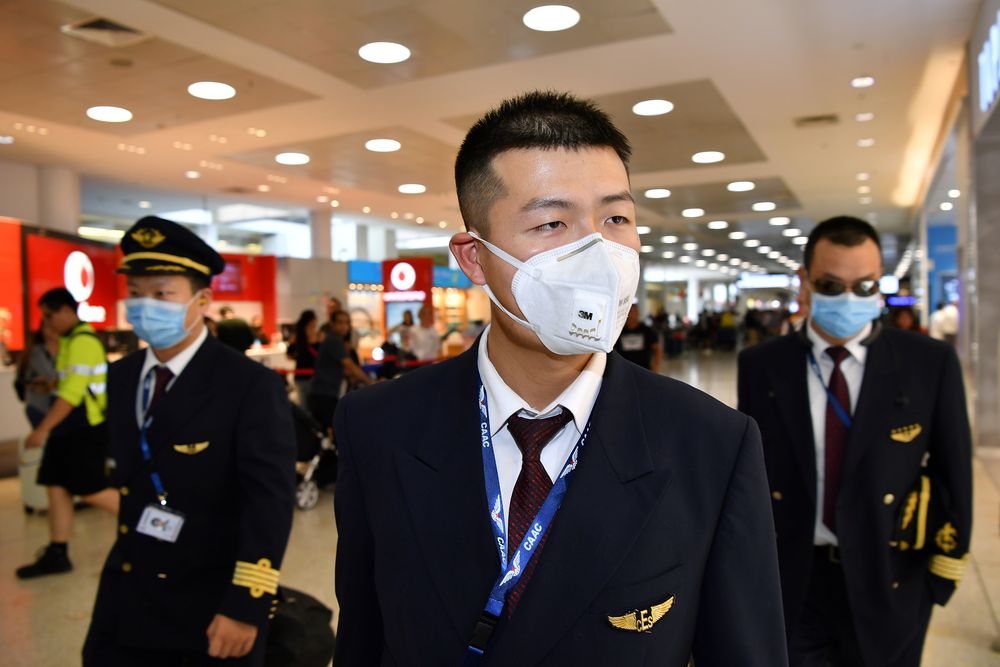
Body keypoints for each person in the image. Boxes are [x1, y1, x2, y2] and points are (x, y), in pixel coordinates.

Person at [333, 91, 786, 666]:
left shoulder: (711, 443)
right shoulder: (379, 426)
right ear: (475, 258)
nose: (597, 252)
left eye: (616, 218)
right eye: (551, 222)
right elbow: (364, 639)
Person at [737, 216, 972, 667]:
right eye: (831, 284)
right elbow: (751, 474)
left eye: (864, 286)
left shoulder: (928, 363)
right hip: (793, 578)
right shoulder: (762, 364)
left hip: (891, 576)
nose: (848, 298)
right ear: (804, 282)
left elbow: (954, 470)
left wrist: (941, 573)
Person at [83, 216, 296, 666]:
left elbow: (269, 502)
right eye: (136, 293)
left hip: (210, 604)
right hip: (126, 592)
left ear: (202, 300)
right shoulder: (121, 376)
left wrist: (246, 604)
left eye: (162, 294)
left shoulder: (248, 385)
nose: (145, 306)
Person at [16, 289, 119, 579]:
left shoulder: (83, 342)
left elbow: (72, 395)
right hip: (68, 429)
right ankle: (57, 552)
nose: (46, 322)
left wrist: (42, 430)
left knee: (92, 489)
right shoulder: (70, 342)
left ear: (65, 311)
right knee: (56, 485)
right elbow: (67, 386)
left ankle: (151, 528)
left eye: (49, 315)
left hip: (83, 428)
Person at [308, 310, 372, 431]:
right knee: (334, 432)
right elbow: (350, 366)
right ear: (332, 324)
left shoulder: (334, 341)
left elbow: (346, 369)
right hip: (324, 395)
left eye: (347, 323)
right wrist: (371, 383)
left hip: (324, 394)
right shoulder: (334, 341)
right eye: (340, 322)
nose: (344, 326)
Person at [15, 319, 60, 427]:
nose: (53, 331)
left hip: (56, 405)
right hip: (39, 405)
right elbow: (50, 375)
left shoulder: (65, 348)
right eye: (49, 327)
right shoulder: (36, 351)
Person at [614, 303, 662, 372]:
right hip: (624, 369)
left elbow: (657, 349)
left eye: (632, 312)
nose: (630, 315)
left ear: (637, 313)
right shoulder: (619, 331)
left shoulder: (646, 330)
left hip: (644, 369)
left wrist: (656, 366)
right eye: (628, 312)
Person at [287, 309, 320, 403]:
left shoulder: (297, 336)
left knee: (305, 404)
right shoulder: (317, 336)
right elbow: (289, 355)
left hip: (303, 374)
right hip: (311, 375)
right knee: (310, 404)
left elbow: (289, 355)